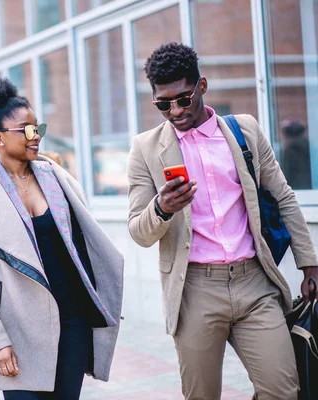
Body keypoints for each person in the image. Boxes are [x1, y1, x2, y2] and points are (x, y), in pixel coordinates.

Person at [127, 42, 318, 400]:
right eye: (163, 104)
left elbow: (284, 196)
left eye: (183, 98)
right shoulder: (146, 148)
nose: (175, 111)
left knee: (283, 391)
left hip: (255, 283)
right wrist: (162, 208)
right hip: (195, 288)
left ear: (202, 86)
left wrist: (309, 263)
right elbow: (138, 230)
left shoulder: (244, 130)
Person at [0, 77, 124, 399]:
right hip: (18, 330)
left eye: (38, 127)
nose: (37, 137)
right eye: (27, 130)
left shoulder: (57, 177)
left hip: (72, 321)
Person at [280, 119, 312, 189]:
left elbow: (287, 172)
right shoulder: (308, 145)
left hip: (296, 187)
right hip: (308, 185)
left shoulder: (290, 148)